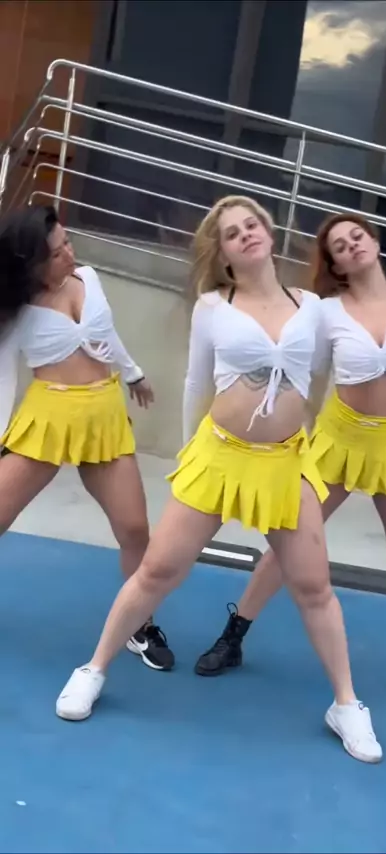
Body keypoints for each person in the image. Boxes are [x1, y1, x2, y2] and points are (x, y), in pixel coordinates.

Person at [56, 195, 382, 764]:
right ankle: (94, 668)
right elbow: (195, 383)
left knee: (313, 587)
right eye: (233, 233)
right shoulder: (213, 306)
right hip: (219, 455)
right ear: (224, 254)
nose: (246, 234)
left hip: (284, 463)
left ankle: (347, 704)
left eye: (252, 224)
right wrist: (190, 455)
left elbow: (327, 371)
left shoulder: (313, 307)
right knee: (158, 570)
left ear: (270, 233)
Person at [194, 212, 386, 724]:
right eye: (339, 245)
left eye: (357, 235)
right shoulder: (326, 312)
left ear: (374, 240)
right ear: (333, 263)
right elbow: (298, 372)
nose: (351, 245)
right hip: (338, 439)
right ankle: (235, 635)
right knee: (287, 544)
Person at [0, 204, 174, 672]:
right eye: (57, 253)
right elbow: (2, 376)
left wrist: (133, 373)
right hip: (49, 418)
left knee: (134, 529)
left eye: (68, 242)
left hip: (103, 415)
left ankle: (140, 623)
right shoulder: (16, 309)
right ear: (31, 263)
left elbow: (106, 335)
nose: (70, 255)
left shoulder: (89, 278)